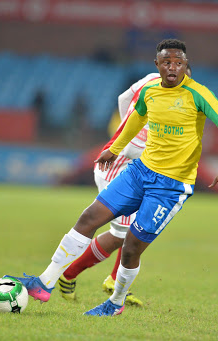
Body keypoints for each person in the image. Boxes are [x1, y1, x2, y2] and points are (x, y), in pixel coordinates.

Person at [6, 39, 218, 317]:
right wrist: (114, 149)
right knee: (89, 218)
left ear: (186, 66)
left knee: (130, 246)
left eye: (178, 63)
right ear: (157, 65)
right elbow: (136, 118)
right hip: (139, 172)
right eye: (166, 62)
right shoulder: (150, 90)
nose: (172, 67)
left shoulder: (199, 95)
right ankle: (44, 282)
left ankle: (115, 302)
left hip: (170, 187)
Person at [57, 65, 192, 307]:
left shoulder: (155, 85)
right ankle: (69, 274)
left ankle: (111, 279)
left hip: (131, 167)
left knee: (132, 230)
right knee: (122, 234)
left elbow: (123, 98)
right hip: (119, 166)